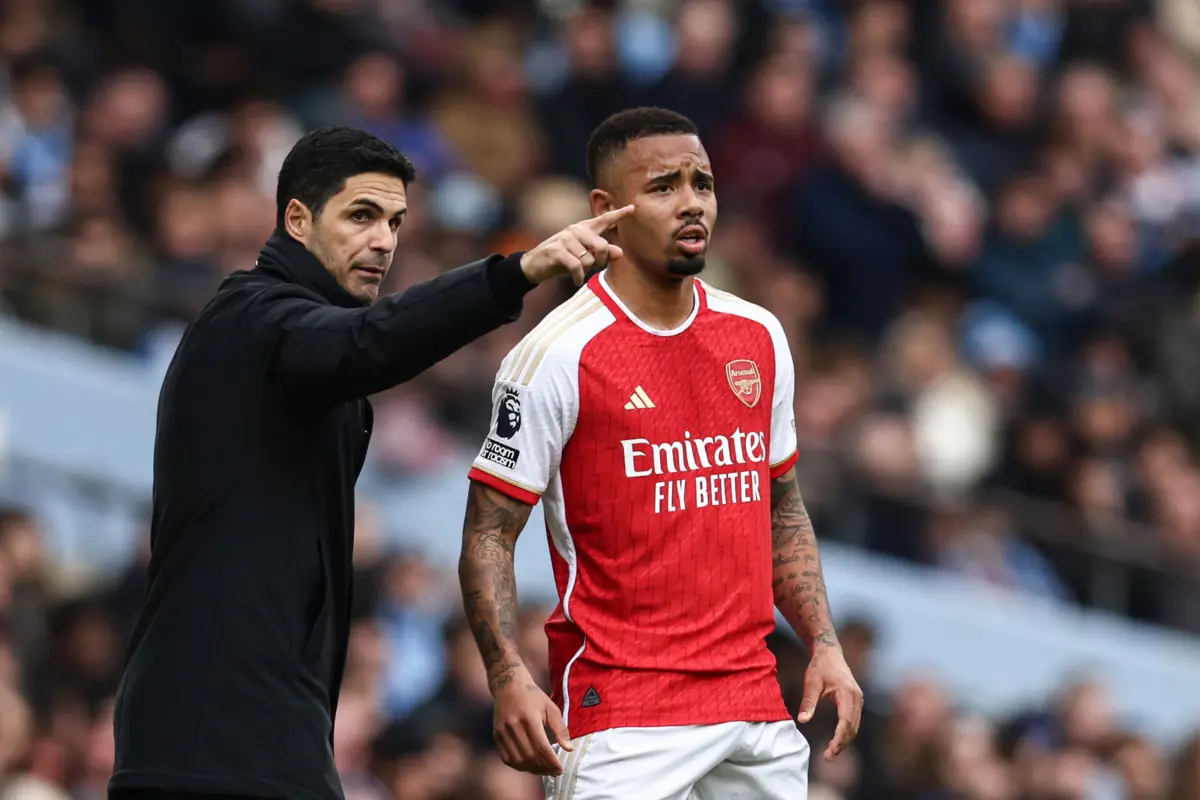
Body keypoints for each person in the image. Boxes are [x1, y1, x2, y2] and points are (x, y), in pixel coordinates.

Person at [108, 127, 632, 800]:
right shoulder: (253, 318)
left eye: (395, 222)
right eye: (361, 215)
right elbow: (368, 343)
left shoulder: (294, 338)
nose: (384, 240)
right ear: (297, 218)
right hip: (211, 732)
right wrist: (518, 272)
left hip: (263, 725)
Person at [458, 107, 864, 799]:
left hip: (755, 710)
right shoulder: (555, 356)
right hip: (625, 720)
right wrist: (508, 676)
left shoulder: (758, 336)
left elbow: (782, 507)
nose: (692, 203)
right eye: (663, 186)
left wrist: (823, 641)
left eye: (702, 183)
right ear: (606, 209)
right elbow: (489, 534)